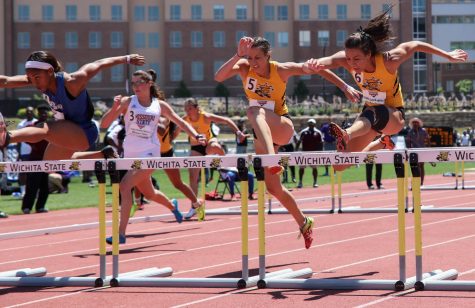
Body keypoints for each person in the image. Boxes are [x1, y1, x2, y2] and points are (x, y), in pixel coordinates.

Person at [214, 36, 360, 249]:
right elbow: (218, 77)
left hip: (282, 127)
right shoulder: (245, 66)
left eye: (258, 58)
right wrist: (238, 54)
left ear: (268, 57)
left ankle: (271, 158)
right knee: (274, 188)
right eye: (251, 57)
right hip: (261, 132)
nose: (254, 62)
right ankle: (304, 222)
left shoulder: (280, 70)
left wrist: (345, 86)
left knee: (253, 110)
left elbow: (317, 69)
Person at [305, 8, 468, 171]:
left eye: (356, 59)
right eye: (348, 59)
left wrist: (447, 55)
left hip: (394, 116)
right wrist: (340, 83)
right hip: (369, 120)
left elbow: (415, 45)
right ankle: (381, 143)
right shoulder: (347, 61)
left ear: (368, 54)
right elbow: (319, 65)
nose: (351, 64)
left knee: (374, 111)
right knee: (339, 164)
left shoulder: (389, 61)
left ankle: (347, 133)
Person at [100, 69, 206, 244]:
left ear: (149, 84)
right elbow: (104, 124)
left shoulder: (159, 106)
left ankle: (120, 233)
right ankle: (173, 206)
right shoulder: (128, 102)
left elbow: (180, 122)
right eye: (133, 83)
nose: (136, 86)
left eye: (139, 82)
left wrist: (196, 135)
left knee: (125, 186)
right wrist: (114, 108)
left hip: (150, 154)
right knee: (149, 193)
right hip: (131, 157)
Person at [0, 51, 145, 160]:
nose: (34, 83)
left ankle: (7, 137)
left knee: (45, 128)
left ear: (50, 71)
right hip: (66, 132)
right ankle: (101, 154)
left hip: (84, 132)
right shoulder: (39, 78)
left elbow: (98, 64)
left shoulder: (73, 82)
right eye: (31, 78)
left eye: (37, 78)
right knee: (49, 164)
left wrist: (126, 59)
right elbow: (6, 81)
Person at [175, 97, 245, 219]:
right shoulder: (184, 120)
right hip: (196, 148)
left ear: (196, 108)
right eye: (185, 108)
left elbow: (227, 120)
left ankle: (226, 167)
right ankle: (194, 206)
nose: (187, 111)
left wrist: (238, 132)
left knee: (216, 146)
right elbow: (175, 133)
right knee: (192, 177)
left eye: (190, 108)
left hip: (208, 143)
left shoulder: (205, 117)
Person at [157, 116, 203, 219]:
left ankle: (196, 204)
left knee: (178, 183)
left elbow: (161, 130)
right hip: (151, 153)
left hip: (166, 154)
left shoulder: (163, 118)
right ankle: (137, 202)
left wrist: (150, 120)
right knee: (140, 180)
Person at [21, 105, 50, 214]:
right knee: (32, 185)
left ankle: (40, 207)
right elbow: (24, 136)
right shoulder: (32, 126)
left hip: (47, 159)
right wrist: (33, 144)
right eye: (41, 113)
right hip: (35, 159)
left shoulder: (51, 126)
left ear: (48, 114)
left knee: (45, 187)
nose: (43, 114)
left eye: (45, 113)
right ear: (38, 114)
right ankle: (26, 207)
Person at [295, 119, 323, 188]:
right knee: (301, 168)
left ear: (314, 124)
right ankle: (300, 182)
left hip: (314, 153)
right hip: (304, 152)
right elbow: (299, 141)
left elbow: (321, 143)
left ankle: (315, 182)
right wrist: (296, 150)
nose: (311, 125)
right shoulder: (304, 132)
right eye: (310, 124)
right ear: (308, 124)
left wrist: (320, 152)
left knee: (314, 168)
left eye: (312, 124)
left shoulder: (318, 132)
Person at [16, 106, 36, 197]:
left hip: (35, 151)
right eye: (27, 111)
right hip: (24, 151)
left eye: (31, 111)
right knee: (23, 171)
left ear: (33, 112)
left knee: (35, 172)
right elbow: (18, 140)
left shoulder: (36, 122)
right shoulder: (21, 124)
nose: (29, 113)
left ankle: (34, 191)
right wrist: (19, 153)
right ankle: (23, 191)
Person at [405, 117, 430, 186]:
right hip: (414, 152)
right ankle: (415, 181)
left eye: (416, 122)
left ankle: (421, 182)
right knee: (415, 167)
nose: (415, 124)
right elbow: (407, 141)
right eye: (414, 122)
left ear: (419, 123)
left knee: (421, 166)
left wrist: (427, 148)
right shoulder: (410, 132)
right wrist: (409, 149)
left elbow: (428, 139)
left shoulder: (423, 131)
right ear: (412, 124)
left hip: (422, 151)